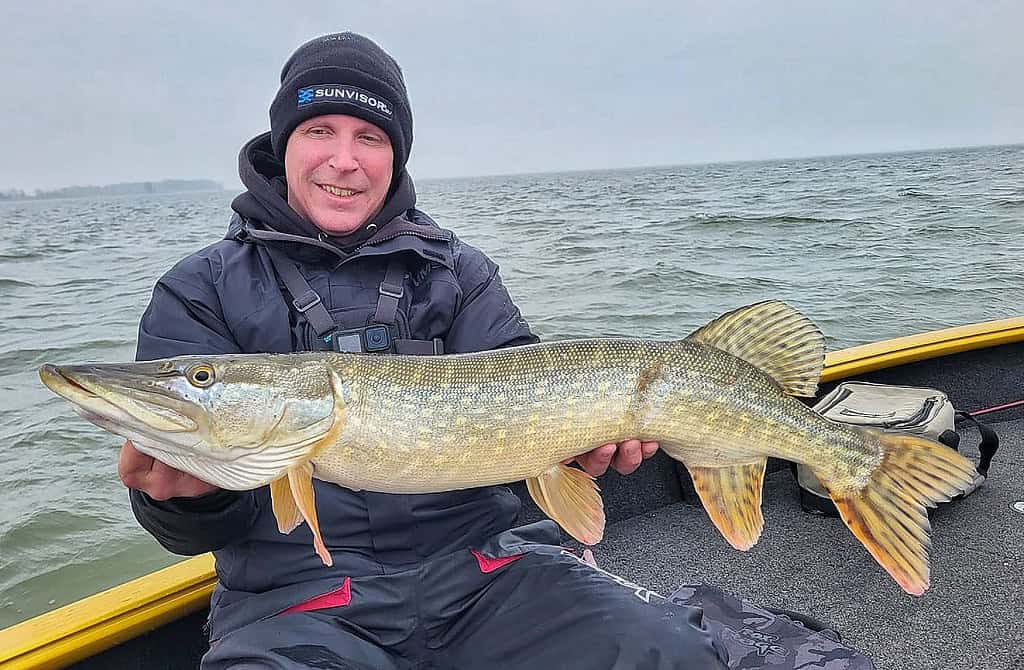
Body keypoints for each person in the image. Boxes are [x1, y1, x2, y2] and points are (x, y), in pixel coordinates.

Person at [118, 32, 728, 669]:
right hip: (295, 602)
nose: (343, 159)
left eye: (370, 137)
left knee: (671, 655)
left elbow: (538, 427)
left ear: (395, 155)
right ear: (284, 144)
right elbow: (194, 529)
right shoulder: (198, 290)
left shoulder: (460, 275)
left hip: (487, 573)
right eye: (319, 129)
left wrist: (580, 455)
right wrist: (187, 498)